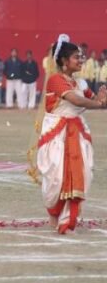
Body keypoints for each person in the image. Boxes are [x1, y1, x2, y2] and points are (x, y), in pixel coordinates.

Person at [31, 36, 107, 235]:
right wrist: (99, 103)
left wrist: (103, 99)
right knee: (56, 177)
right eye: (76, 57)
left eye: (81, 57)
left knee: (82, 173)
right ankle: (55, 215)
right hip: (57, 134)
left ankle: (68, 220)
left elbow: (94, 100)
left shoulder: (81, 82)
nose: (80, 60)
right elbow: (76, 101)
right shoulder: (56, 80)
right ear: (64, 61)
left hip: (77, 133)